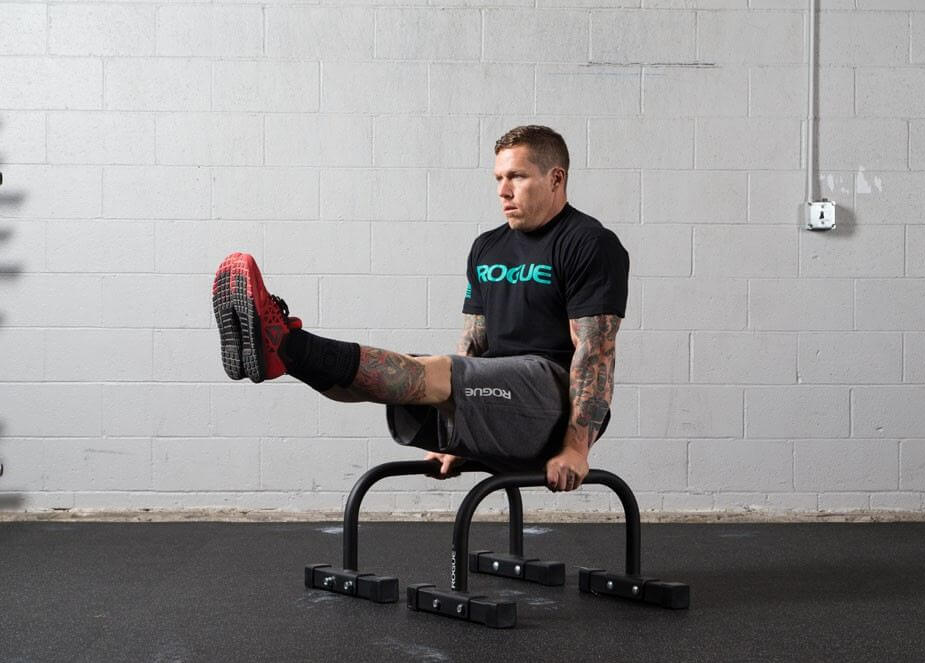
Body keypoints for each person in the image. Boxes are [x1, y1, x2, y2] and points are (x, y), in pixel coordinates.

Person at [211, 125, 629, 492]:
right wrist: (460, 428)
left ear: (556, 178)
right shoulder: (487, 247)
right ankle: (285, 356)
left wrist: (577, 448)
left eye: (517, 177)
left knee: (427, 371)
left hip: (551, 401)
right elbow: (473, 347)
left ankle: (285, 341)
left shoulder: (588, 243)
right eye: (499, 178)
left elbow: (595, 355)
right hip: (501, 392)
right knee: (401, 380)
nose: (503, 190)